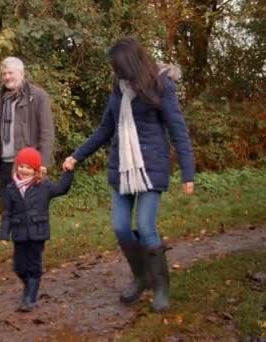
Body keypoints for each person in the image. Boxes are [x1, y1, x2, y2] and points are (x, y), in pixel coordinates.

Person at [62, 37, 194, 312]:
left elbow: (178, 130)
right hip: (121, 168)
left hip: (150, 168)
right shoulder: (117, 90)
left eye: (117, 65)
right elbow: (104, 130)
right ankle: (141, 277)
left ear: (130, 62)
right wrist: (77, 155)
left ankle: (160, 288)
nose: (115, 71)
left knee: (146, 227)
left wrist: (187, 172)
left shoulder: (161, 85)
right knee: (121, 227)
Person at [0, 147, 74, 312]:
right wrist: (4, 233)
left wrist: (68, 173)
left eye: (28, 167)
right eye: (21, 166)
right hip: (19, 233)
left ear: (35, 169)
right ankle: (28, 285)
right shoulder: (11, 188)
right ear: (17, 167)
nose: (24, 170)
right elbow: (7, 212)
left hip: (37, 232)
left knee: (33, 265)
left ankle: (30, 298)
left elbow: (62, 189)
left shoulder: (44, 185)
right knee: (19, 267)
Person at [0, 57, 55, 206]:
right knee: (8, 211)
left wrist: (42, 163)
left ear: (21, 73)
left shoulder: (38, 96)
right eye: (4, 74)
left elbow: (47, 133)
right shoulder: (3, 98)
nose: (6, 77)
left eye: (10, 73)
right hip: (4, 166)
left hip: (27, 167)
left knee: (27, 212)